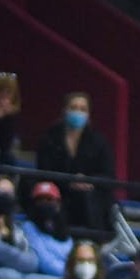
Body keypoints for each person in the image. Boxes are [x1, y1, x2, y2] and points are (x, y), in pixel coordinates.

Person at [36, 92, 115, 230]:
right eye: (74, 107)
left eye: (82, 109)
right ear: (65, 111)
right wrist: (70, 181)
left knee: (89, 198)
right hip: (59, 192)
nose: (78, 112)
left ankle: (91, 238)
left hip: (90, 196)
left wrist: (89, 182)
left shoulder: (99, 141)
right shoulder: (50, 138)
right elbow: (43, 171)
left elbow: (109, 175)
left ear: (88, 114)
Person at [19, 181, 73, 277]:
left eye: (49, 199)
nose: (45, 204)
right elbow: (45, 262)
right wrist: (71, 275)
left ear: (58, 204)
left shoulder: (62, 228)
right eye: (40, 200)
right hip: (44, 277)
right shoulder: (28, 227)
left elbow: (71, 256)